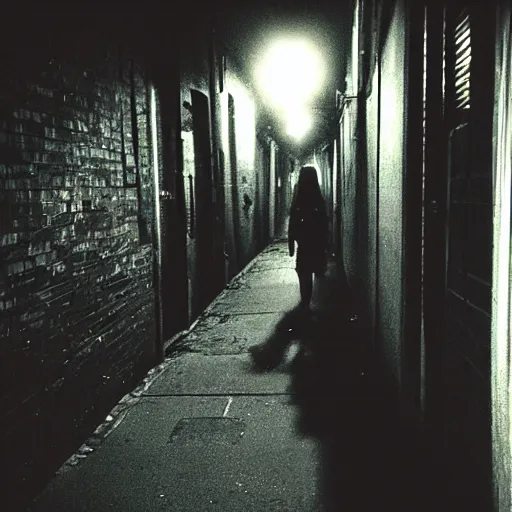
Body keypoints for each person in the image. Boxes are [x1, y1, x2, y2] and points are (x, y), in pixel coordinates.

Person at [288, 165, 328, 311]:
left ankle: (305, 300)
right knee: (313, 269)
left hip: (304, 242)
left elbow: (293, 216)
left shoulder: (299, 193)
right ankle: (308, 300)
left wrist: (292, 243)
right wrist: (325, 244)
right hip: (315, 241)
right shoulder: (317, 194)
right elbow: (324, 220)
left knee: (303, 270)